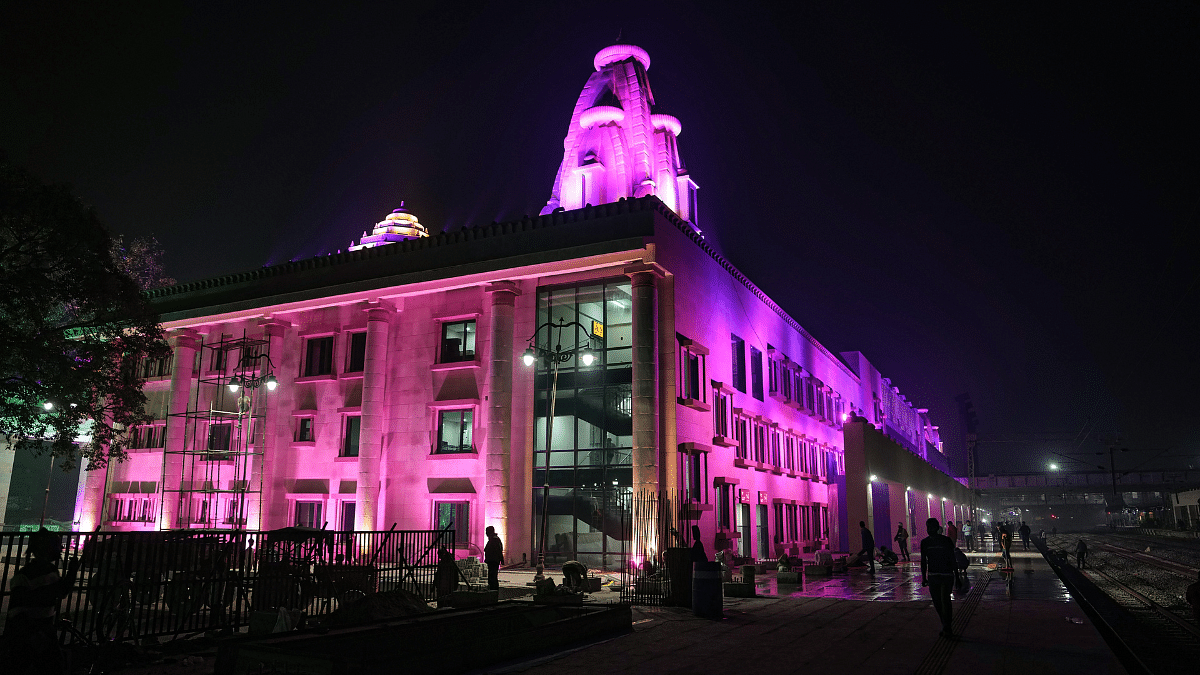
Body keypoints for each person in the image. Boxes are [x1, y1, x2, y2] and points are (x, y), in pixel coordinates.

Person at [1, 528, 80, 675]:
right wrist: (35, 635)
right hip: (29, 634)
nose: (61, 548)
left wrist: (72, 572)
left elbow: (61, 591)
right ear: (47, 549)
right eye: (57, 546)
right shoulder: (36, 574)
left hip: (38, 630)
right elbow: (18, 612)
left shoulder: (43, 572)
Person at [920, 518, 957, 638]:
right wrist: (923, 577)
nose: (929, 530)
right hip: (933, 576)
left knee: (945, 601)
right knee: (937, 603)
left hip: (946, 575)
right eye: (928, 527)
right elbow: (923, 561)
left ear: (937, 528)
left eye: (931, 527)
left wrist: (957, 576)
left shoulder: (946, 541)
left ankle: (947, 626)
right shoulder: (925, 543)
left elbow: (952, 559)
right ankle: (945, 624)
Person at [484, 525, 503, 590]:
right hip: (492, 561)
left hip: (493, 561)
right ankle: (493, 590)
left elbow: (498, 550)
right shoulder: (493, 539)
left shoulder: (494, 540)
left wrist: (501, 559)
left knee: (492, 577)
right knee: (492, 576)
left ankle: (493, 590)